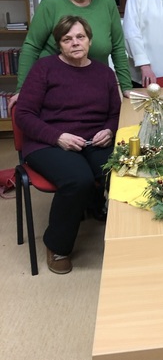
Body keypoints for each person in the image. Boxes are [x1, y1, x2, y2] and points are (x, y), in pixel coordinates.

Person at [15, 16, 121, 275]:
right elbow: (24, 115)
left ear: (89, 40)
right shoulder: (44, 69)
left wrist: (109, 129)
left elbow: (115, 112)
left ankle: (106, 216)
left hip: (93, 140)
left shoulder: (104, 73)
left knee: (121, 171)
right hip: (48, 142)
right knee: (77, 179)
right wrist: (57, 137)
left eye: (80, 37)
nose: (75, 43)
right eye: (67, 39)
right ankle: (57, 245)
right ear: (59, 44)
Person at [9, 0, 132, 109]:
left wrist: (126, 87)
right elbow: (31, 47)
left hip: (96, 85)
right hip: (56, 86)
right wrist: (22, 89)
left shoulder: (107, 3)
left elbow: (118, 49)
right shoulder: (51, 3)